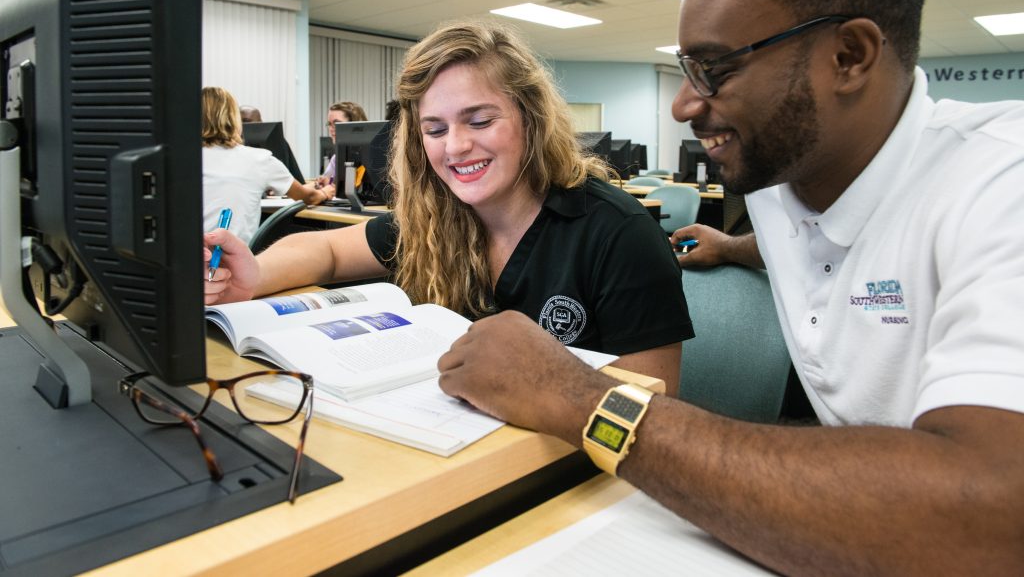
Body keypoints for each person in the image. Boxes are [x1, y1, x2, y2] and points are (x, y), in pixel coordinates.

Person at [434, 0, 1024, 573]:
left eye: (714, 68)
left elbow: (990, 520)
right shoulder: (781, 178)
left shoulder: (1001, 184)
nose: (684, 104)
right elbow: (830, 240)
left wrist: (579, 395)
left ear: (850, 55)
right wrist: (735, 246)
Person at [204, 22, 693, 389]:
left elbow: (649, 407)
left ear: (531, 119)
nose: (454, 147)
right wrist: (254, 276)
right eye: (435, 130)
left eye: (479, 121)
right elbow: (328, 251)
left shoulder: (617, 233)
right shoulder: (438, 215)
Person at [202, 86, 333, 244]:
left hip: (184, 259)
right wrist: (325, 193)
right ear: (232, 118)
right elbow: (307, 197)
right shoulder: (258, 160)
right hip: (233, 261)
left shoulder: (177, 161)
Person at [317, 101, 369, 188]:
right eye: (329, 124)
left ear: (354, 125)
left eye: (337, 123)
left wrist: (331, 183)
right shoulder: (337, 158)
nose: (331, 129)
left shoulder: (370, 156)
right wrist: (324, 182)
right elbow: (328, 180)